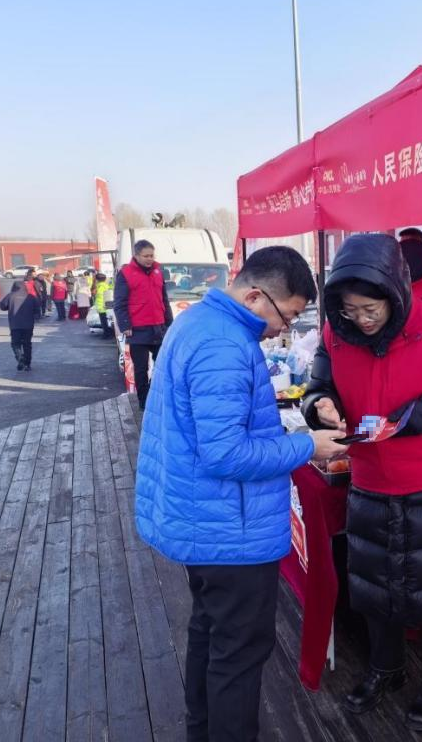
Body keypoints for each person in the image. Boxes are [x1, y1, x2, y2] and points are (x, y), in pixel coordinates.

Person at [134, 246, 348, 742]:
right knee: (238, 656)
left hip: (203, 520)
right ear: (255, 297)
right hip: (230, 531)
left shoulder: (198, 322)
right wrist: (307, 445)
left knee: (210, 635)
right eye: (286, 316)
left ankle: (202, 731)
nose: (283, 330)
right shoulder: (225, 345)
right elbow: (226, 453)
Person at [301, 233, 422, 732]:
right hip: (370, 481)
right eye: (351, 310)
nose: (361, 319)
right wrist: (320, 406)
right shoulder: (335, 331)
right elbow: (318, 386)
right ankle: (384, 669)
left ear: (395, 291)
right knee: (375, 589)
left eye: (371, 309)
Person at [114, 240, 174, 411]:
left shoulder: (158, 271)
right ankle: (144, 402)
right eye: (146, 256)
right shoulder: (126, 274)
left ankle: (157, 395)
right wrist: (125, 324)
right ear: (136, 255)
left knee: (163, 365)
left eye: (151, 255)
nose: (149, 259)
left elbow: (164, 300)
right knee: (140, 369)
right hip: (137, 329)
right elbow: (119, 303)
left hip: (159, 327)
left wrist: (170, 323)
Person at [0, 281, 40, 371]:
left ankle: (20, 358)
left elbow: (2, 306)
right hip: (28, 325)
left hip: (15, 325)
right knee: (27, 344)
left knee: (15, 343)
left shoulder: (10, 296)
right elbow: (37, 310)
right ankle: (27, 364)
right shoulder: (31, 297)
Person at [94, 273, 114, 338]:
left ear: (97, 280)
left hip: (101, 306)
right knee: (106, 320)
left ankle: (106, 334)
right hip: (106, 305)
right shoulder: (106, 285)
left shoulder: (100, 286)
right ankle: (107, 333)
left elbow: (99, 296)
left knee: (103, 321)